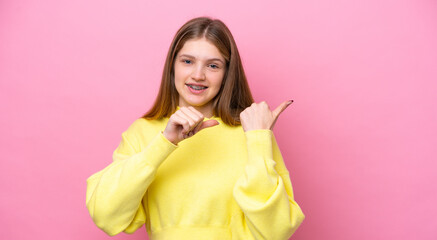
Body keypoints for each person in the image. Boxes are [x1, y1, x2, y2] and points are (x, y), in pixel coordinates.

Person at [86, 16, 305, 239]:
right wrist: (164, 144)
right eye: (187, 61)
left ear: (226, 74)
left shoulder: (251, 132)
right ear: (172, 66)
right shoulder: (144, 132)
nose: (198, 75)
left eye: (212, 65)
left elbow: (276, 230)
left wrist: (259, 139)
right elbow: (105, 215)